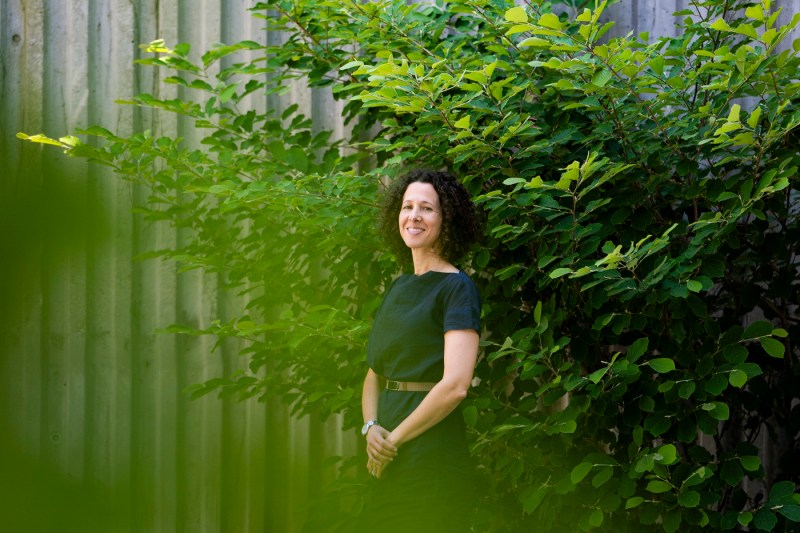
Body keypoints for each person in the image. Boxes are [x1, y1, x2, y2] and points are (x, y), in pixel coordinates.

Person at [359, 169, 482, 532]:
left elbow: (456, 385)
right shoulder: (398, 288)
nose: (413, 216)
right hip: (386, 451)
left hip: (432, 455)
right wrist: (371, 428)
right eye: (407, 206)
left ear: (447, 221)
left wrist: (392, 440)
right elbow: (373, 373)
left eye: (426, 208)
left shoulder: (457, 289)